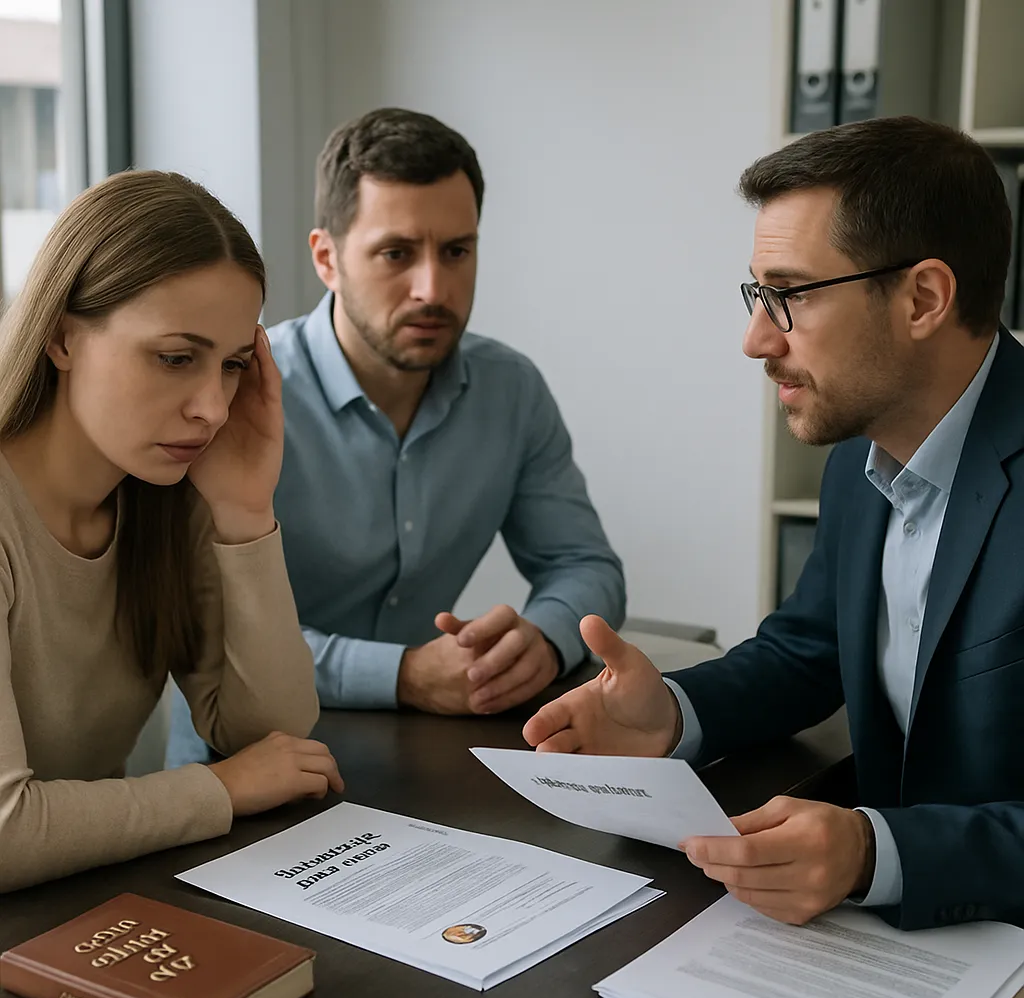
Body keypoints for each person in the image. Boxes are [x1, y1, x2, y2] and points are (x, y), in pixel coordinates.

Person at [524, 116, 1024, 931]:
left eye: (788, 296)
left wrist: (876, 852)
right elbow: (809, 650)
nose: (756, 340)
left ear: (924, 299)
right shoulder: (865, 451)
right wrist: (674, 714)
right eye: (758, 295)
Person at [165, 107, 624, 766]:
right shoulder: (236, 395)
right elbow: (205, 635)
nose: (432, 288)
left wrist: (543, 640)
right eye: (397, 253)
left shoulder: (512, 391)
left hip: (422, 762)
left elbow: (586, 565)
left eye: (457, 251)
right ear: (327, 258)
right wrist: (403, 673)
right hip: (236, 770)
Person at [0, 169, 342, 893]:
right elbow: (5, 832)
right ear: (62, 338)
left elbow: (270, 736)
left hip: (75, 904)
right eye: (176, 359)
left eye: (232, 367)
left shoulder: (161, 494)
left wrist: (248, 514)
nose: (212, 409)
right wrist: (220, 791)